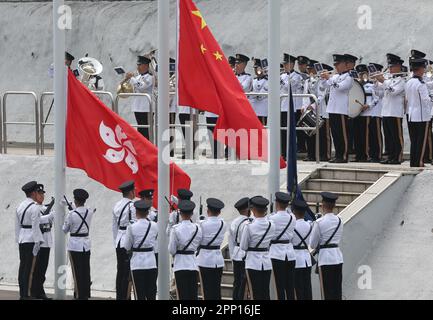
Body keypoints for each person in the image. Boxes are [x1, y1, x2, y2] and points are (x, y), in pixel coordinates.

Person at [240, 196, 276, 300]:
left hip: (252, 263)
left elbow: (243, 246)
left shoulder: (249, 226)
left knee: (254, 293)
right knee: (265, 293)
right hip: (266, 262)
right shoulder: (271, 225)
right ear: (265, 210)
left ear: (253, 209)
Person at [309, 192, 343, 300]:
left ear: (323, 205)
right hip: (337, 257)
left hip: (325, 259)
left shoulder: (319, 222)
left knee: (326, 292)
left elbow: (313, 244)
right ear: (334, 206)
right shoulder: (339, 220)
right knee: (337, 291)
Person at [123, 200, 158, 300]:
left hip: (137, 263)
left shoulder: (131, 227)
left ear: (136, 212)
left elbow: (127, 246)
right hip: (151, 262)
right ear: (148, 212)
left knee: (140, 295)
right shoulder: (155, 226)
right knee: (151, 294)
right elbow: (154, 239)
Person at [15, 181, 44, 300]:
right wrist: (38, 242)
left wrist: (18, 239)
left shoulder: (20, 206)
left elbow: (17, 226)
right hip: (31, 239)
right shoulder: (35, 207)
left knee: (23, 267)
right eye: (37, 192)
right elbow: (35, 226)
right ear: (33, 193)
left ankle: (22, 293)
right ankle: (26, 295)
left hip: (22, 238)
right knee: (29, 268)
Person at [322, 54, 354, 163]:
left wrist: (329, 78)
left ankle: (344, 156)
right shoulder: (335, 77)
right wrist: (323, 78)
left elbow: (340, 87)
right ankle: (337, 155)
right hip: (332, 109)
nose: (336, 67)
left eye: (338, 64)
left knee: (342, 134)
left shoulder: (349, 78)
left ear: (345, 64)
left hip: (341, 109)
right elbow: (326, 85)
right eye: (335, 64)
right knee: (335, 134)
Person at [63, 189, 93, 300]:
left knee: (77, 271)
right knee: (86, 270)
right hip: (86, 244)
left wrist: (71, 212)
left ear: (75, 200)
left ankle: (78, 295)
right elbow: (83, 211)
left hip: (75, 245)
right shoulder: (89, 212)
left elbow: (65, 229)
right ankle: (85, 294)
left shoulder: (71, 214)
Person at [169, 200, 203, 300]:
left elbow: (171, 249)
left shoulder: (175, 229)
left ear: (180, 213)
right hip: (193, 263)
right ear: (192, 213)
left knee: (182, 295)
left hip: (180, 264)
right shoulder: (197, 228)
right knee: (193, 295)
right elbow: (198, 244)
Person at [377, 54, 406, 164]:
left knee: (396, 136)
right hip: (386, 111)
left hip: (395, 112)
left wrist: (383, 81)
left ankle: (397, 157)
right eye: (389, 66)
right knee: (388, 136)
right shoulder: (388, 79)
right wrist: (376, 81)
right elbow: (378, 91)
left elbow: (393, 92)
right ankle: (390, 156)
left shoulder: (401, 81)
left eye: (392, 66)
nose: (390, 69)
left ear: (398, 67)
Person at [197, 198, 227, 300]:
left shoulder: (202, 224)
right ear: (219, 212)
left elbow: (198, 241)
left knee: (207, 291)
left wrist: (200, 220)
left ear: (207, 210)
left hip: (205, 260)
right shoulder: (223, 224)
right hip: (218, 260)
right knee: (216, 290)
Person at [269, 192, 296, 300]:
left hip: (276, 254)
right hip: (290, 253)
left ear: (277, 203)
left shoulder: (272, 218)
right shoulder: (292, 218)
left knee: (279, 287)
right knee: (290, 287)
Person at [406, 58, 432, 167]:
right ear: (420, 69)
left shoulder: (409, 82)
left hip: (411, 115)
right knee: (421, 141)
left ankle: (413, 162)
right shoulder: (420, 83)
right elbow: (426, 100)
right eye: (424, 68)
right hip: (422, 116)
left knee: (414, 140)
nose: (424, 70)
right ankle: (419, 162)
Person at [112, 180, 136, 300]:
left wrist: (116, 240)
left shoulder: (117, 205)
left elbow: (114, 227)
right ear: (131, 192)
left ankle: (119, 296)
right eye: (134, 190)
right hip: (128, 241)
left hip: (119, 241)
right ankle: (125, 297)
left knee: (120, 271)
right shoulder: (132, 206)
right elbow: (134, 226)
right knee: (127, 272)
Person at [31, 192, 55, 300]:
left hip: (47, 241)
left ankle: (39, 291)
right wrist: (48, 216)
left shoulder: (46, 208)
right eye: (39, 194)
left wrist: (52, 215)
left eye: (43, 194)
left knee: (43, 269)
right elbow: (37, 221)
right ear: (35, 196)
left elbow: (52, 221)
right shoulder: (33, 208)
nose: (42, 196)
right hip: (38, 241)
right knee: (36, 269)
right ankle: (35, 291)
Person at [228, 197, 251, 300]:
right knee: (244, 283)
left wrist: (232, 256)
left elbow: (230, 241)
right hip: (246, 256)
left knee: (237, 282)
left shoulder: (234, 222)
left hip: (236, 254)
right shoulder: (249, 223)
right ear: (248, 209)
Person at [126, 55, 154, 139]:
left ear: (145, 65)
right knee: (140, 128)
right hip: (137, 106)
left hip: (146, 107)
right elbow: (132, 87)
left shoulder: (150, 77)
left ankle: (148, 147)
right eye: (137, 65)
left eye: (139, 65)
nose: (137, 67)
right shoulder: (137, 77)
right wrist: (127, 79)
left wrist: (132, 78)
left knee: (146, 129)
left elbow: (141, 87)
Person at [292, 199, 313, 300]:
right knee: (307, 287)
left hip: (296, 260)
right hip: (307, 260)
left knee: (298, 289)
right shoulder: (309, 225)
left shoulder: (292, 226)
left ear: (294, 211)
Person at [352, 64, 373, 162]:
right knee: (356, 135)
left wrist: (368, 105)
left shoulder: (371, 84)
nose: (361, 76)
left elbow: (375, 98)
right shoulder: (355, 85)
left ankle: (366, 155)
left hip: (366, 112)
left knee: (365, 135)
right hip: (357, 113)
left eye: (363, 74)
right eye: (359, 74)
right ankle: (358, 155)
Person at [280, 53, 298, 159]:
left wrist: (281, 80)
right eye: (284, 64)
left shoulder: (296, 76)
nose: (285, 66)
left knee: (290, 132)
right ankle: (283, 152)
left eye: (286, 64)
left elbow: (289, 87)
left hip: (291, 107)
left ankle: (290, 152)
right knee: (282, 131)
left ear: (292, 64)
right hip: (282, 106)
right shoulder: (282, 76)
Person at [368, 63, 385, 162]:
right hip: (371, 112)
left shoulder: (383, 83)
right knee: (372, 134)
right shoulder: (373, 84)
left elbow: (380, 94)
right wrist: (374, 82)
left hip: (378, 111)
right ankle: (372, 154)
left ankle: (378, 154)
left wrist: (377, 82)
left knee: (377, 134)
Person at [295, 56, 311, 153]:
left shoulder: (309, 76)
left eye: (302, 64)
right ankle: (301, 146)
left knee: (306, 126)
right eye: (299, 64)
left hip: (306, 104)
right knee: (299, 127)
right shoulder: (297, 75)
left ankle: (305, 146)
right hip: (298, 104)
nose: (300, 66)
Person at [251, 58, 269, 125]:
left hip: (262, 111)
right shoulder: (254, 80)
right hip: (254, 109)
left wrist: (252, 95)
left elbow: (260, 96)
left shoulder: (267, 80)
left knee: (262, 129)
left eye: (258, 68)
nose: (256, 70)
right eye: (255, 68)